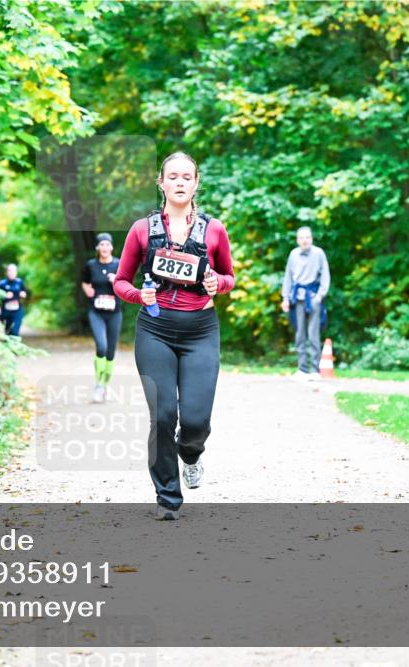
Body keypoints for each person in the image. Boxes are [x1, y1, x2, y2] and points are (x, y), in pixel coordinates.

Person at [113, 151, 235, 521]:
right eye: (173, 176)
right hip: (155, 330)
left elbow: (229, 277)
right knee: (163, 415)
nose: (180, 182)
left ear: (196, 183)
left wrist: (218, 283)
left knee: (194, 421)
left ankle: (192, 455)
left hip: (200, 331)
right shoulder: (142, 229)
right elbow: (120, 281)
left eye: (187, 177)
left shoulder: (213, 230)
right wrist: (138, 295)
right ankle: (168, 496)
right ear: (161, 182)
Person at [280, 226, 330, 381]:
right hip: (297, 298)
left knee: (313, 333)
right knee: (299, 333)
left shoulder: (319, 253)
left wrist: (320, 296)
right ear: (297, 240)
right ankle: (302, 369)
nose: (305, 240)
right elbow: (288, 277)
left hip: (313, 297)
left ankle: (315, 370)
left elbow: (325, 276)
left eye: (307, 237)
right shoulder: (293, 254)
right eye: (301, 238)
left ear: (312, 238)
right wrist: (285, 298)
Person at [81, 233, 122, 404]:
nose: (104, 248)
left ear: (111, 247)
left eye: (107, 244)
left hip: (114, 312)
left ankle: (105, 385)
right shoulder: (91, 265)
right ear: (97, 248)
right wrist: (87, 290)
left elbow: (127, 285)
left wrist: (117, 282)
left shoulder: (119, 264)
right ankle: (98, 385)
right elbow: (84, 281)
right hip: (96, 311)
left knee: (111, 352)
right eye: (101, 245)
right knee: (102, 347)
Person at [0, 264, 27, 337]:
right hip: (6, 311)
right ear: (7, 272)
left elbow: (25, 292)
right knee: (8, 331)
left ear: (16, 272)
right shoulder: (2, 284)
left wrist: (23, 294)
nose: (11, 272)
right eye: (10, 270)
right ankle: (8, 346)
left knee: (15, 331)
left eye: (13, 271)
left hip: (17, 309)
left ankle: (16, 345)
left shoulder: (19, 282)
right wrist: (4, 296)